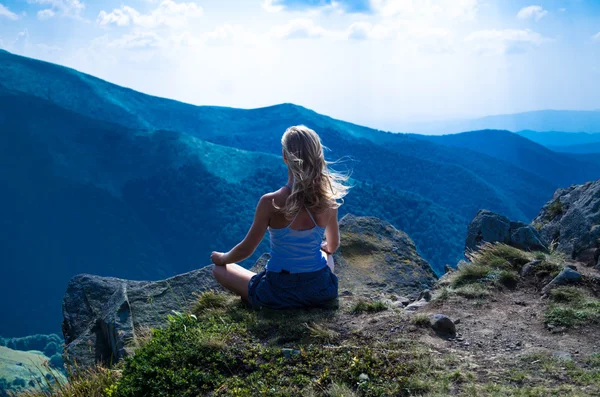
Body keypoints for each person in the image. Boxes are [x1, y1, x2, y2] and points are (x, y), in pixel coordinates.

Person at [211, 125, 350, 309]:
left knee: (218, 270)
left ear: (285, 157)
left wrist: (222, 258)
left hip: (277, 291)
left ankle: (262, 298)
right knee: (326, 254)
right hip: (320, 291)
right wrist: (323, 248)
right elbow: (333, 246)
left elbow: (246, 249)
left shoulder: (270, 202)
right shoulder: (328, 202)